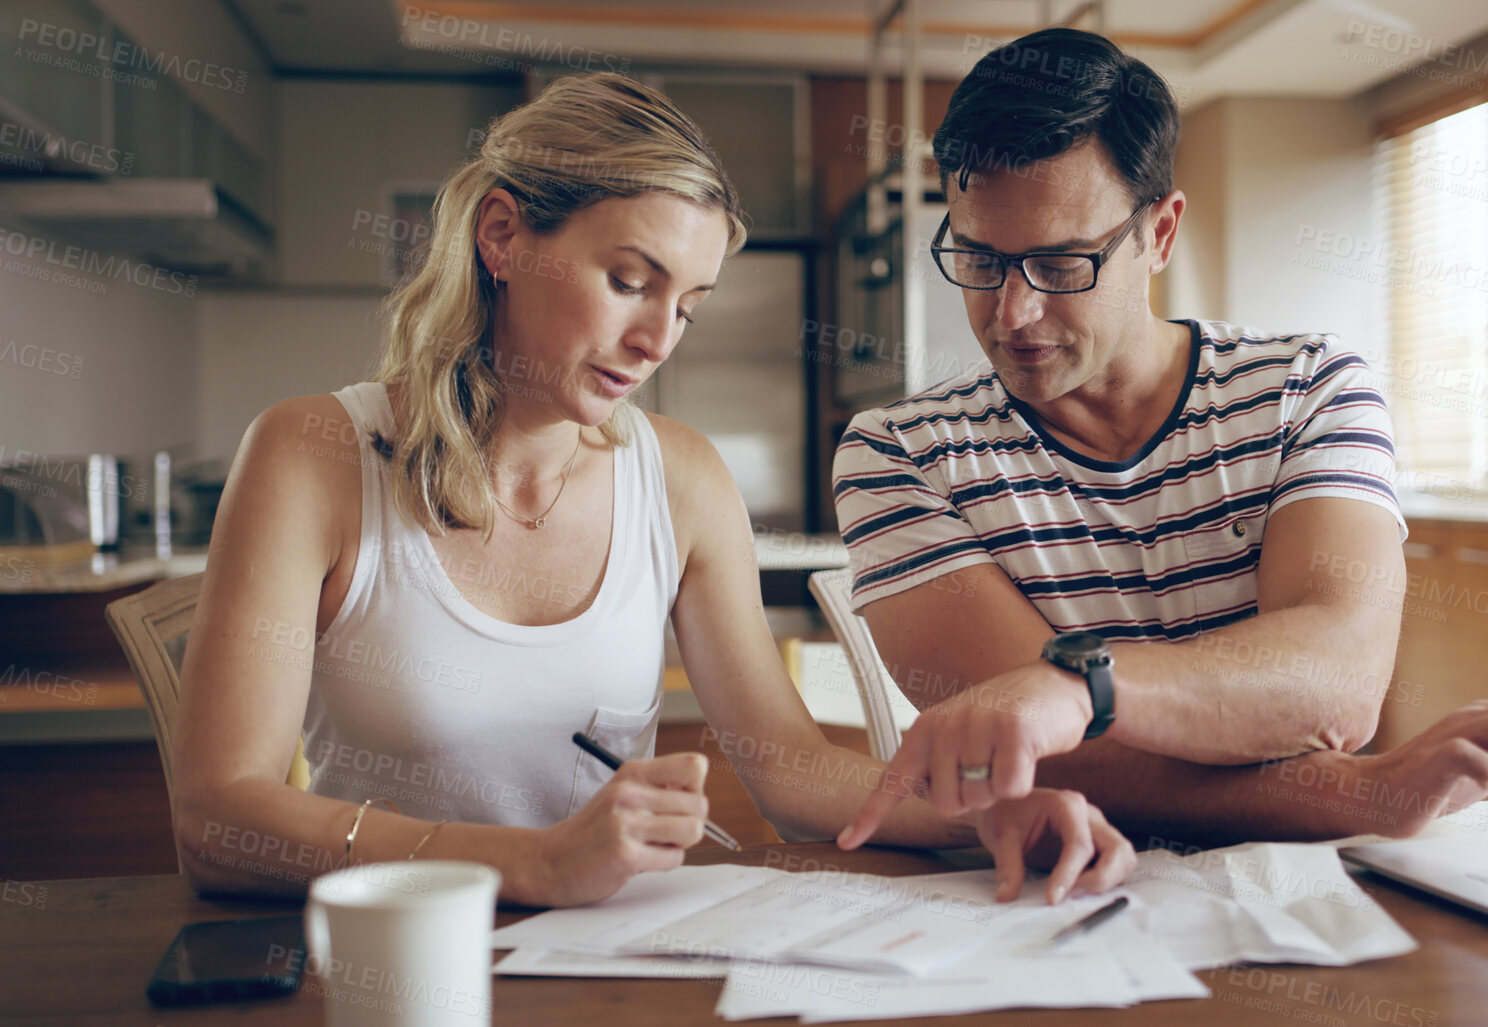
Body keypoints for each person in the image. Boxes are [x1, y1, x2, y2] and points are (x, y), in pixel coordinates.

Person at [171, 72, 1133, 908]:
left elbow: (791, 771)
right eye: (630, 280)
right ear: (502, 235)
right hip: (407, 960)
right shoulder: (311, 455)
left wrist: (988, 817)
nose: (658, 339)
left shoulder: (679, 476)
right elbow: (218, 818)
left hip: (612, 964)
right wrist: (533, 861)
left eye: (687, 306)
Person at [835, 29, 1488, 852]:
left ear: (1158, 233)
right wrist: (1354, 794)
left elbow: (1337, 680)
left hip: (1301, 895)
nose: (1011, 312)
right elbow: (1038, 758)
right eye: (978, 257)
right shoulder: (895, 451)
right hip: (1046, 887)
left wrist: (1080, 689)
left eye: (1061, 264)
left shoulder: (1308, 386)